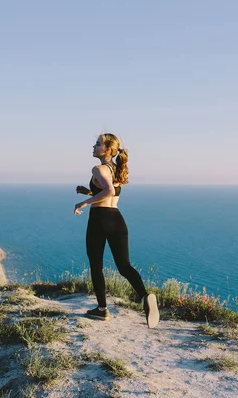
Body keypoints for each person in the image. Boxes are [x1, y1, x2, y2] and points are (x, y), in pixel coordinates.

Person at [74, 133, 159, 328]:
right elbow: (109, 192)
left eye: (98, 144)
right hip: (117, 220)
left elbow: (108, 191)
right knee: (124, 266)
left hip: (99, 220)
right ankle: (145, 296)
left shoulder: (98, 168)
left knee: (96, 264)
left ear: (108, 149)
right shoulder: (117, 169)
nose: (94, 146)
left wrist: (84, 202)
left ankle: (102, 310)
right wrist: (88, 192)